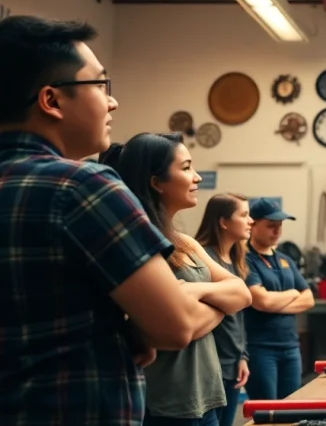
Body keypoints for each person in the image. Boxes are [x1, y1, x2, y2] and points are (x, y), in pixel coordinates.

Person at [0, 15, 213, 425]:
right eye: (100, 85)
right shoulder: (82, 187)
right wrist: (137, 331)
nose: (112, 101)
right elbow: (176, 327)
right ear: (52, 100)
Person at [100, 133, 253, 426]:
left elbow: (241, 294)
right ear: (156, 182)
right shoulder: (134, 243)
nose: (196, 177)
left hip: (205, 398)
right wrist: (219, 301)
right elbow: (179, 328)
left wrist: (193, 290)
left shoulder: (185, 242)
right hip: (164, 407)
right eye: (186, 168)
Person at [244, 197, 314, 401]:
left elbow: (309, 299)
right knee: (266, 413)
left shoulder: (285, 259)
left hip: (290, 348)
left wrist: (273, 303)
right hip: (260, 350)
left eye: (280, 226)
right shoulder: (246, 259)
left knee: (290, 410)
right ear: (253, 225)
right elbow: (261, 302)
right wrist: (292, 294)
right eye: (271, 226)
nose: (277, 231)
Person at [195, 193, 254, 426]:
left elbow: (239, 317)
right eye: (244, 215)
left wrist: (242, 356)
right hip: (211, 364)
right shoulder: (203, 257)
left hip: (232, 363)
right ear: (223, 221)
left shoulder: (235, 259)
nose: (251, 221)